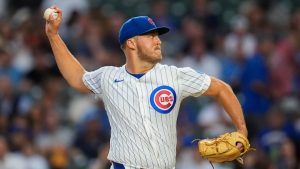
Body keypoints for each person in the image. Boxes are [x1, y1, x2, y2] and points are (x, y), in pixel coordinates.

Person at [45, 6, 248, 169]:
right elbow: (77, 78)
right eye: (150, 36)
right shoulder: (109, 77)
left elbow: (222, 89)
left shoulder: (174, 76)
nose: (158, 41)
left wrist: (242, 130)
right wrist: (53, 35)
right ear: (131, 43)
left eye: (157, 36)